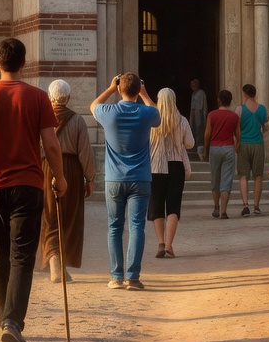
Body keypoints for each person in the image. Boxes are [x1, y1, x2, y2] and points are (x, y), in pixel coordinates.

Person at [0, 38, 68, 342]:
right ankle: (12, 321)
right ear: (23, 63)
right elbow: (51, 145)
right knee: (22, 256)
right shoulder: (38, 97)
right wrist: (61, 178)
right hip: (27, 184)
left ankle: (5, 319)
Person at [91, 73, 160, 290]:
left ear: (121, 89)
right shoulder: (146, 112)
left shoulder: (109, 113)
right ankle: (133, 277)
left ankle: (115, 276)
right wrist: (145, 93)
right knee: (137, 227)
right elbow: (157, 115)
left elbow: (93, 104)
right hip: (140, 178)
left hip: (114, 178)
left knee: (114, 227)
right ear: (137, 89)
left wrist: (112, 87)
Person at [40, 79, 95, 283]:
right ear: (68, 98)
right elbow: (84, 152)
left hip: (46, 169)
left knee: (50, 215)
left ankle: (55, 262)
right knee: (68, 216)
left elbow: (37, 148)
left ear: (49, 97)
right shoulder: (78, 120)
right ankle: (59, 263)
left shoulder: (42, 117)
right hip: (71, 170)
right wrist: (89, 178)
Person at [147, 88, 194, 258]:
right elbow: (190, 143)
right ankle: (169, 245)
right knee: (173, 207)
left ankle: (160, 243)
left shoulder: (152, 121)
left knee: (156, 205)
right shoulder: (181, 120)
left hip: (155, 168)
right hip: (175, 167)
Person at [203, 90, 240, 219]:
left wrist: (205, 149)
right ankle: (224, 211)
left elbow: (207, 134)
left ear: (219, 100)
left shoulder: (212, 115)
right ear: (230, 101)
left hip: (215, 148)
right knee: (226, 180)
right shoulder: (234, 116)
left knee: (215, 179)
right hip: (229, 147)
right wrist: (237, 146)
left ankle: (216, 207)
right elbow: (238, 134)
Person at [236, 84, 269, 217]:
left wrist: (237, 142)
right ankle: (256, 206)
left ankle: (245, 204)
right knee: (258, 176)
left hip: (244, 143)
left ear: (244, 94)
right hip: (258, 143)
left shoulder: (240, 109)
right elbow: (266, 127)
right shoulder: (262, 109)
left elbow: (237, 129)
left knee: (243, 176)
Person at [188, 79, 208, 148]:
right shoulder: (193, 93)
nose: (193, 86)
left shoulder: (201, 93)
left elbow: (204, 105)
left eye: (194, 84)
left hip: (199, 113)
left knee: (200, 130)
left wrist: (204, 116)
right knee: (193, 129)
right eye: (192, 85)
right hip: (194, 113)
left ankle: (200, 148)